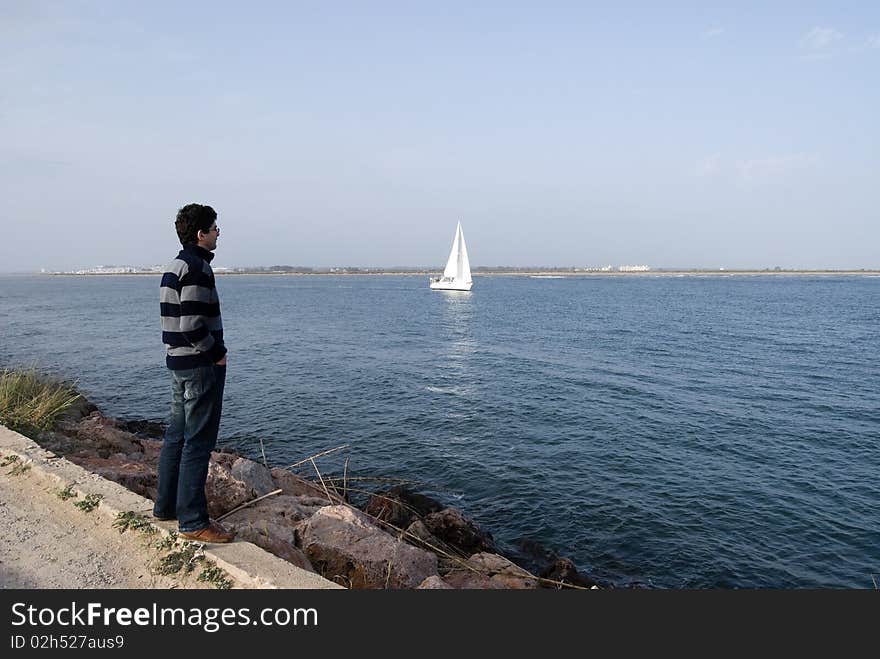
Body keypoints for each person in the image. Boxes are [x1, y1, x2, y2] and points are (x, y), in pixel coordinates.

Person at [153, 203, 235, 543]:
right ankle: (193, 522)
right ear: (201, 234)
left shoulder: (174, 266)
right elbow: (192, 325)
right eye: (215, 229)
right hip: (199, 366)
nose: (219, 234)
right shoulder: (198, 267)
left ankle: (165, 508)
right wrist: (217, 354)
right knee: (198, 443)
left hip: (178, 363)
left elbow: (177, 323)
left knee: (176, 436)